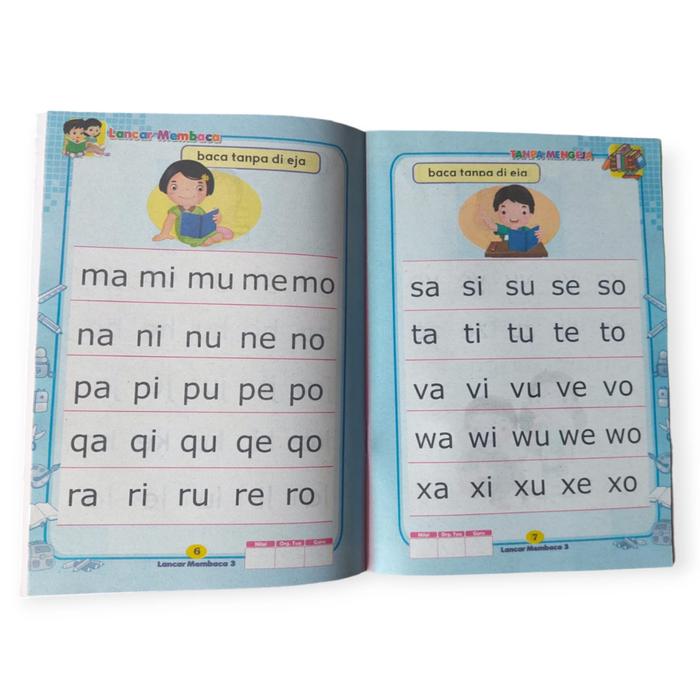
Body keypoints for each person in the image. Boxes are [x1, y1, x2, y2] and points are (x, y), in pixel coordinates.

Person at [153, 159, 234, 247]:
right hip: (187, 236)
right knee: (208, 242)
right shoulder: (175, 211)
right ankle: (204, 240)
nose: (187, 192)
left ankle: (211, 236)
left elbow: (206, 222)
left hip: (202, 232)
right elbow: (169, 222)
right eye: (174, 187)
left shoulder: (198, 210)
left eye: (199, 188)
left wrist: (217, 219)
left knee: (218, 237)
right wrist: (164, 234)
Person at [481, 184, 543, 249]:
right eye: (504, 212)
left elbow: (534, 241)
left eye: (523, 212)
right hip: (506, 251)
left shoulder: (526, 230)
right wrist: (486, 219)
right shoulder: (504, 229)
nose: (514, 217)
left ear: (531, 213)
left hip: (523, 253)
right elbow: (493, 226)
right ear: (497, 212)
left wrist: (537, 237)